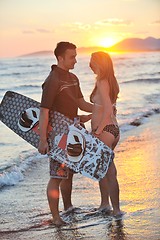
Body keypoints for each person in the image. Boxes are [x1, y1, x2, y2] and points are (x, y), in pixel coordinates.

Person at [38, 42, 92, 226]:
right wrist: (42, 140)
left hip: (73, 131)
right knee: (57, 175)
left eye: (76, 56)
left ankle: (68, 207)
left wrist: (103, 109)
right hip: (58, 136)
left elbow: (81, 103)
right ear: (60, 58)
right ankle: (56, 217)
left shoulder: (73, 78)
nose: (75, 60)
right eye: (72, 57)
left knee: (68, 173)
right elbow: (44, 111)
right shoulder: (53, 80)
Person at [89, 51, 122, 216]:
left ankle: (116, 210)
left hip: (105, 131)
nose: (90, 64)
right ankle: (104, 204)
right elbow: (105, 107)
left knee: (109, 172)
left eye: (92, 61)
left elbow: (108, 110)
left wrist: (98, 130)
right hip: (113, 130)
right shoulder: (110, 80)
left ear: (99, 63)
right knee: (103, 168)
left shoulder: (102, 82)